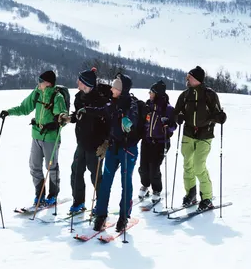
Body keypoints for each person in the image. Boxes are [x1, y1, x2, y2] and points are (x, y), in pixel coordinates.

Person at [0, 70, 69, 207]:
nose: (38, 83)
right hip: (36, 134)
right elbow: (24, 108)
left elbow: (61, 113)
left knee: (51, 166)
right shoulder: (37, 93)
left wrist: (61, 117)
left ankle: (53, 195)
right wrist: (9, 112)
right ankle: (39, 194)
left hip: (50, 137)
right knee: (34, 166)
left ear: (48, 83)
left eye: (40, 80)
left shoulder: (57, 96)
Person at [89, 73, 140, 232]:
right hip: (113, 148)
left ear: (122, 90)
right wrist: (86, 111)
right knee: (105, 182)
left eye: (115, 87)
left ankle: (124, 216)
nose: (111, 89)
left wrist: (128, 121)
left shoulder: (132, 104)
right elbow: (101, 110)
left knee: (126, 183)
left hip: (128, 149)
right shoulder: (113, 103)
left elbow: (133, 117)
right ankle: (101, 215)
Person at [174, 66, 227, 212]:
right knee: (187, 166)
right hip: (188, 134)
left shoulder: (210, 95)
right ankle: (191, 194)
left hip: (205, 135)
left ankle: (207, 198)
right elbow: (176, 111)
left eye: (190, 77)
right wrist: (178, 117)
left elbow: (218, 113)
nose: (187, 79)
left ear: (197, 79)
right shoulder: (185, 95)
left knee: (198, 166)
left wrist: (221, 118)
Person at [61, 67, 111, 215]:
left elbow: (109, 123)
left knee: (96, 176)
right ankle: (78, 202)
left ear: (86, 83)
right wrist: (69, 118)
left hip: (97, 146)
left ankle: (101, 206)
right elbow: (78, 115)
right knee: (76, 171)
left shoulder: (101, 101)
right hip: (82, 143)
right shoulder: (79, 97)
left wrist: (106, 143)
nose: (77, 82)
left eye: (80, 80)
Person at [138, 80, 177, 205]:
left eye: (152, 92)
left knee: (154, 168)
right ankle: (145, 185)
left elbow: (173, 126)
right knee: (143, 168)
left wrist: (168, 124)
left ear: (158, 94)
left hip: (160, 142)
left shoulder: (168, 108)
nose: (150, 94)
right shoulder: (147, 105)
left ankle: (156, 190)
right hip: (146, 141)